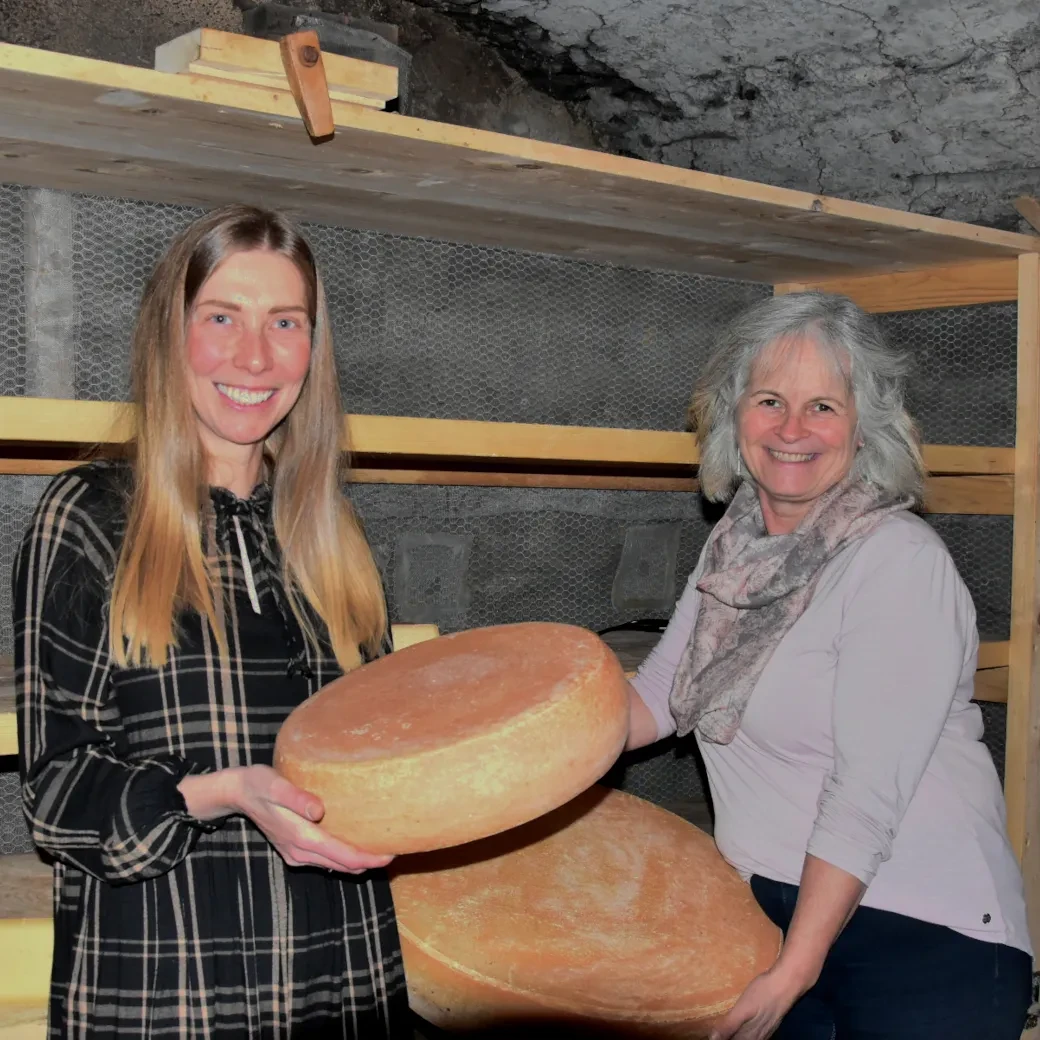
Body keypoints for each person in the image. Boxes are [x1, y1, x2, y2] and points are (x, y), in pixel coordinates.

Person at [14, 205, 409, 1038]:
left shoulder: (335, 538)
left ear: (313, 347)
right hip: (170, 985)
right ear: (171, 334)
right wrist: (223, 793)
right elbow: (55, 796)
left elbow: (382, 761)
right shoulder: (89, 518)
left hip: (342, 977)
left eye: (285, 323)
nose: (255, 356)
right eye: (221, 317)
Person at [626, 292, 1033, 1040]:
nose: (790, 429)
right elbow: (657, 697)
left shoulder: (897, 562)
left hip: (919, 936)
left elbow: (863, 797)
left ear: (863, 427)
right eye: (770, 400)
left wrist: (796, 967)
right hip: (766, 909)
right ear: (732, 413)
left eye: (822, 407)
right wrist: (518, 737)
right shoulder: (736, 547)